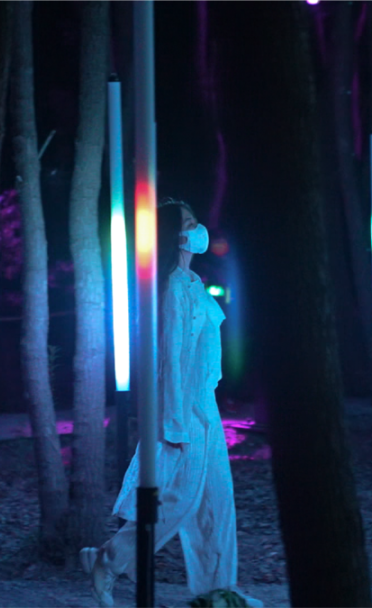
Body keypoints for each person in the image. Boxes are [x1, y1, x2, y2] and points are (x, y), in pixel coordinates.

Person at [79, 199, 263, 608]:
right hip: (185, 411)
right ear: (175, 235)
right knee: (178, 499)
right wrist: (176, 422)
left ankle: (219, 590)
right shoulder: (172, 289)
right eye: (190, 223)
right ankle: (108, 561)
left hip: (205, 406)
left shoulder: (192, 283)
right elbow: (170, 360)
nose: (199, 230)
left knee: (217, 500)